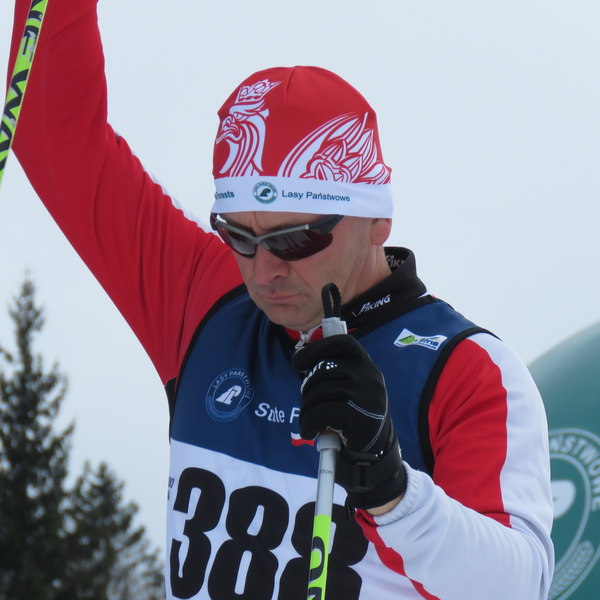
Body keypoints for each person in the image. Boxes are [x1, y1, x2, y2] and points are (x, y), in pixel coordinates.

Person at [7, 1, 554, 599]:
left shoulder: (464, 369)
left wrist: (390, 489)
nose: (265, 270)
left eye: (296, 239)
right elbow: (52, 132)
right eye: (239, 236)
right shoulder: (208, 300)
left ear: (377, 219)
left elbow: (518, 585)